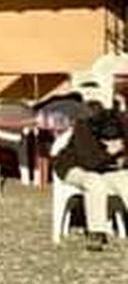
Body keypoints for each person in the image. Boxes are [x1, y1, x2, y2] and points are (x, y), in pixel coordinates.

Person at [52, 100, 128, 250]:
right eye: (107, 139)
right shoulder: (83, 127)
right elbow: (89, 162)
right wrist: (109, 152)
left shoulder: (121, 124)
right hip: (75, 167)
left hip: (105, 168)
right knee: (94, 182)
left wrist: (123, 156)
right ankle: (97, 233)